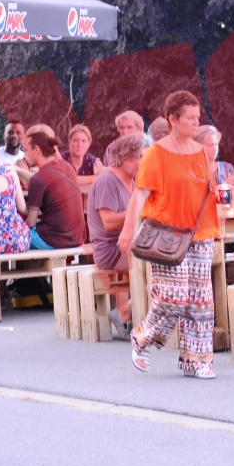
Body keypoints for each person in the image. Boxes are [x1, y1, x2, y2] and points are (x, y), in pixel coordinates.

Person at [118, 90, 221, 378]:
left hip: (200, 233)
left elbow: (203, 188)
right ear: (173, 120)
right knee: (172, 297)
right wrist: (129, 229)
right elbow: (140, 194)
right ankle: (143, 336)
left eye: (198, 117)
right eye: (190, 118)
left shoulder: (201, 151)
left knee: (201, 302)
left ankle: (197, 360)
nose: (196, 122)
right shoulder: (157, 153)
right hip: (166, 235)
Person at [88, 133, 146, 335]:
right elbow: (109, 222)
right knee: (156, 269)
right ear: (124, 158)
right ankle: (124, 312)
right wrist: (140, 212)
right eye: (141, 156)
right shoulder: (107, 181)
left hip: (128, 245)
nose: (144, 162)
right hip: (111, 251)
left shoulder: (130, 182)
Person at [22, 129, 88, 250]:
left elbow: (31, 222)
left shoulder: (37, 179)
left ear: (36, 149)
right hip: (78, 238)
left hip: (55, 240)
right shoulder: (67, 166)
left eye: (26, 150)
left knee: (9, 238)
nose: (24, 156)